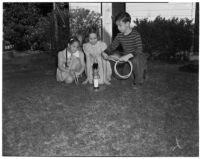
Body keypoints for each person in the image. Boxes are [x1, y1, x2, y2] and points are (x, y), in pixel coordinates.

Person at [102, 12, 147, 86]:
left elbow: (139, 50)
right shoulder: (119, 36)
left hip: (137, 57)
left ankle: (139, 81)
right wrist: (105, 52)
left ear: (127, 24)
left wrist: (128, 56)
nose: (118, 28)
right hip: (127, 59)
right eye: (117, 26)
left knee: (136, 61)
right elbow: (112, 46)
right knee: (121, 76)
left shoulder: (136, 35)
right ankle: (136, 73)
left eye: (120, 25)